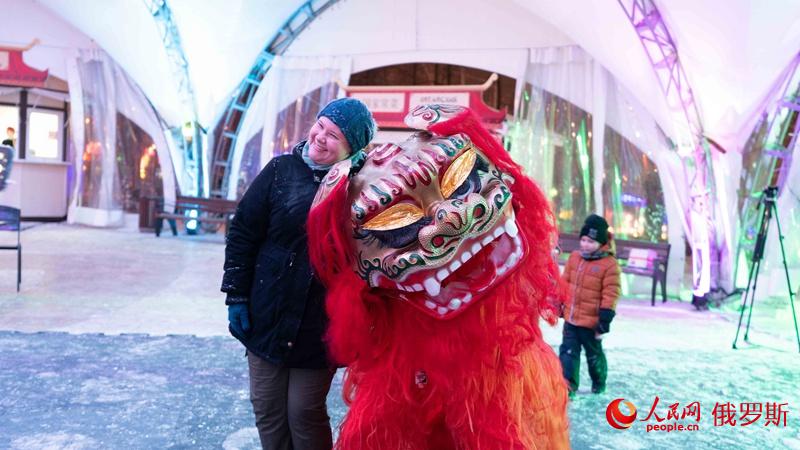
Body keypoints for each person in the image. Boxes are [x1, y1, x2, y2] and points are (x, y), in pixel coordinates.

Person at [221, 98, 376, 450]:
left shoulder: (361, 189)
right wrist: (237, 295)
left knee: (303, 411)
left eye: (334, 135)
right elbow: (243, 231)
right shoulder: (280, 171)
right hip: (268, 312)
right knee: (267, 407)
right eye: (320, 126)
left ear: (351, 148)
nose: (320, 137)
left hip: (319, 324)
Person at [559, 213, 620, 396]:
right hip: (571, 319)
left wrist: (604, 320)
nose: (586, 245)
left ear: (601, 243)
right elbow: (565, 283)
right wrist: (559, 303)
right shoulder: (574, 258)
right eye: (584, 240)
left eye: (591, 242)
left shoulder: (609, 265)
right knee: (568, 354)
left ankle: (599, 382)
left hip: (592, 323)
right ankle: (568, 386)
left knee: (594, 355)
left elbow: (611, 293)